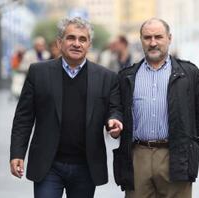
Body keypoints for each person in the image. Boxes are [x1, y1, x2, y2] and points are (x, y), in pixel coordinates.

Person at [9, 17, 123, 198]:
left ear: (89, 44)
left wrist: (115, 122)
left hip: (86, 166)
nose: (77, 44)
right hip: (48, 165)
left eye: (82, 39)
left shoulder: (106, 78)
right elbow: (24, 117)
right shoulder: (38, 73)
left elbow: (114, 109)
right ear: (59, 42)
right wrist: (17, 153)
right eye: (71, 38)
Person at [115, 18, 199, 197]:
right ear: (141, 40)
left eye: (158, 37)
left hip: (175, 156)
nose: (153, 42)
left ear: (169, 38)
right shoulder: (127, 76)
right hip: (138, 156)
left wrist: (184, 136)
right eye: (147, 37)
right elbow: (117, 108)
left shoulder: (188, 73)